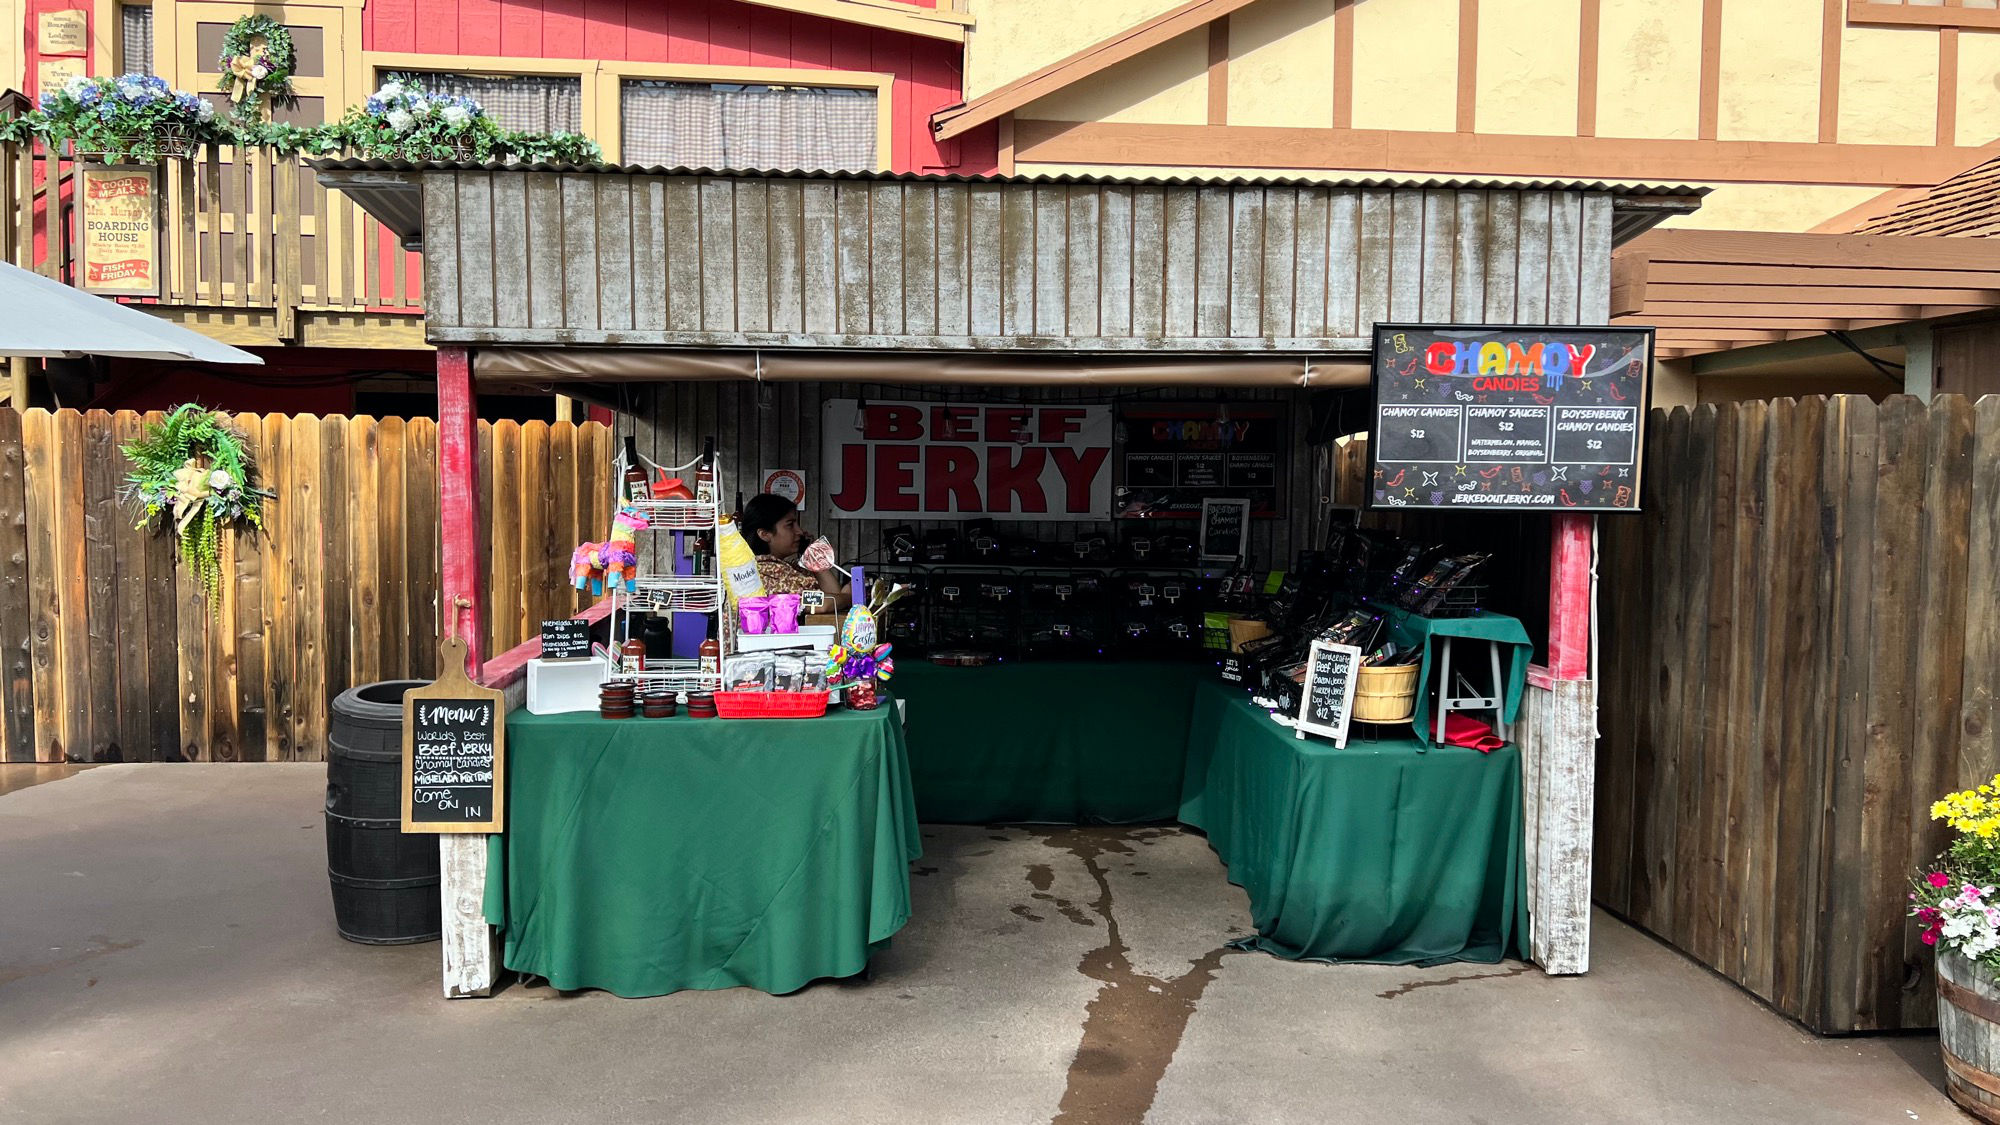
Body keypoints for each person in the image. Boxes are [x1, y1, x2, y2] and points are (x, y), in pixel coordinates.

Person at [737, 493, 849, 609]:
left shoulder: (784, 568)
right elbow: (821, 604)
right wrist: (847, 597)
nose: (799, 531)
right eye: (790, 525)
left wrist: (811, 554)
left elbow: (833, 593)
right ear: (764, 534)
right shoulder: (766, 572)